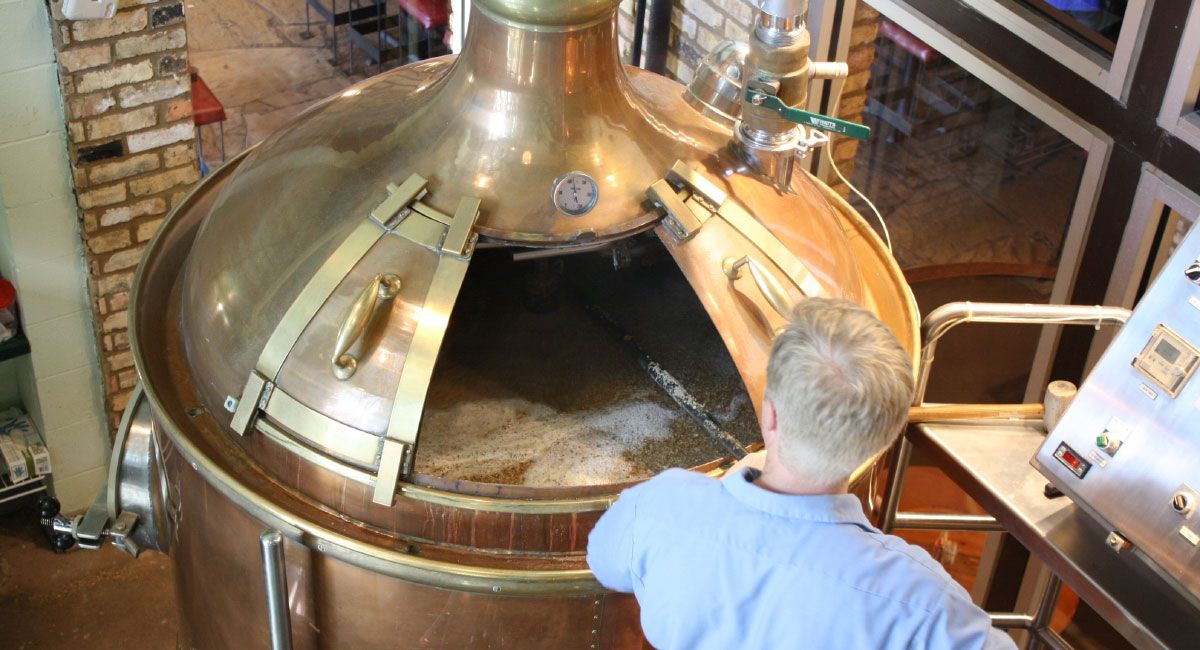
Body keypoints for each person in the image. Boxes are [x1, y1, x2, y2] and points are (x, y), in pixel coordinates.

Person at [587, 298, 1015, 649]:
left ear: (769, 415)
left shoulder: (661, 505)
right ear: (885, 441)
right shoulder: (920, 604)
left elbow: (604, 564)